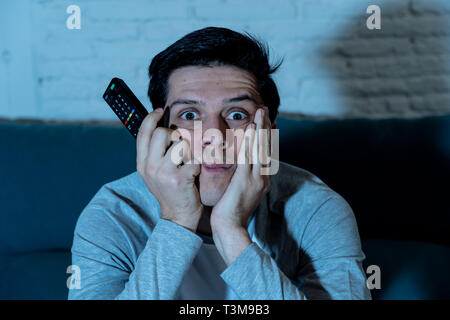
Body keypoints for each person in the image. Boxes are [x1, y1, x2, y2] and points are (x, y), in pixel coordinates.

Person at [68, 27, 371, 300]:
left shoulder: (317, 208)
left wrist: (230, 230)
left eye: (237, 115)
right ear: (158, 132)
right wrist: (177, 220)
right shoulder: (114, 214)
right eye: (189, 115)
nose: (215, 136)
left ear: (269, 135)